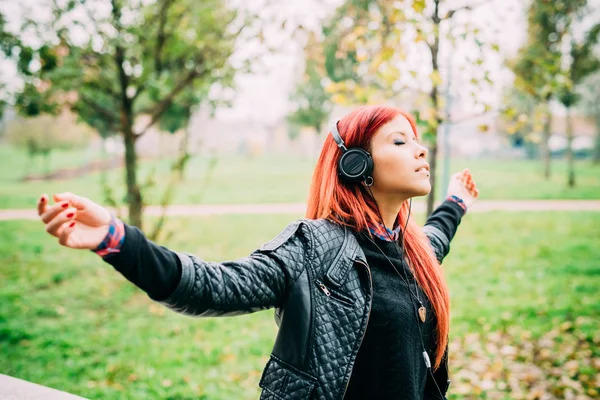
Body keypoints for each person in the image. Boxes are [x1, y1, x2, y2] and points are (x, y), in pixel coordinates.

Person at [37, 104, 479, 400]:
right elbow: (215, 286)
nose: (420, 149)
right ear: (355, 165)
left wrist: (456, 202)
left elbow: (435, 237)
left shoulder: (411, 250)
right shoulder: (315, 247)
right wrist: (118, 240)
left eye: (416, 139)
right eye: (399, 141)